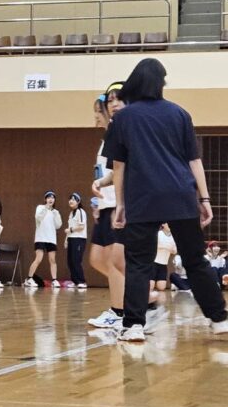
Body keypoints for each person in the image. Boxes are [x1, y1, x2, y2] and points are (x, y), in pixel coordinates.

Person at [106, 57, 228, 341]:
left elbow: (119, 167)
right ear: (161, 83)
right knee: (195, 260)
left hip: (143, 197)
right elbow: (194, 161)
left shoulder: (122, 118)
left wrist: (120, 205)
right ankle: (220, 319)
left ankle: (133, 325)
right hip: (180, 195)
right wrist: (205, 199)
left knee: (139, 262)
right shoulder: (180, 114)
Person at [87, 83, 128, 330]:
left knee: (114, 261)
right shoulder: (106, 140)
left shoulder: (119, 134)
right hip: (105, 205)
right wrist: (98, 201)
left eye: (97, 112)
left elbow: (119, 172)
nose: (95, 117)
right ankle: (139, 296)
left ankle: (120, 310)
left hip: (116, 205)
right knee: (97, 259)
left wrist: (116, 204)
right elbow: (104, 174)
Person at [25, 191, 62, 287]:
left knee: (52, 260)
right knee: (38, 259)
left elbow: (58, 225)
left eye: (52, 198)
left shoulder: (55, 212)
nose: (51, 199)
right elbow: (38, 218)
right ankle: (29, 279)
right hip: (41, 238)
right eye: (49, 197)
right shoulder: (40, 207)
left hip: (51, 239)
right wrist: (46, 208)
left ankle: (54, 280)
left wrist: (55, 214)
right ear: (45, 199)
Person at [65, 192, 88, 289]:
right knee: (70, 261)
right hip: (71, 239)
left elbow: (81, 226)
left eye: (73, 199)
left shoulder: (81, 211)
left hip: (79, 239)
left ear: (78, 201)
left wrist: (70, 230)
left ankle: (82, 281)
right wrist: (66, 240)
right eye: (70, 199)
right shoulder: (71, 213)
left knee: (76, 260)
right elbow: (69, 227)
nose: (71, 201)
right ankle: (75, 281)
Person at [151, 224, 176, 294]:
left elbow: (174, 250)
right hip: (154, 262)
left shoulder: (173, 236)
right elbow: (157, 245)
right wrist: (168, 247)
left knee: (161, 288)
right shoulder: (158, 233)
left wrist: (166, 246)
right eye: (168, 223)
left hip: (163, 264)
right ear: (163, 224)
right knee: (150, 287)